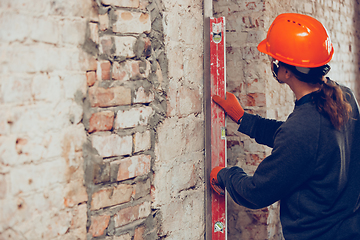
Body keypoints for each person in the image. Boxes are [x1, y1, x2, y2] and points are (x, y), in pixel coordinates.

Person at [210, 13, 360, 240]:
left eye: (274, 58)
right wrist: (244, 119)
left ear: (287, 71)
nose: (271, 62)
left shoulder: (303, 128)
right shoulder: (344, 97)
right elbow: (306, 145)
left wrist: (224, 175)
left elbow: (256, 192)